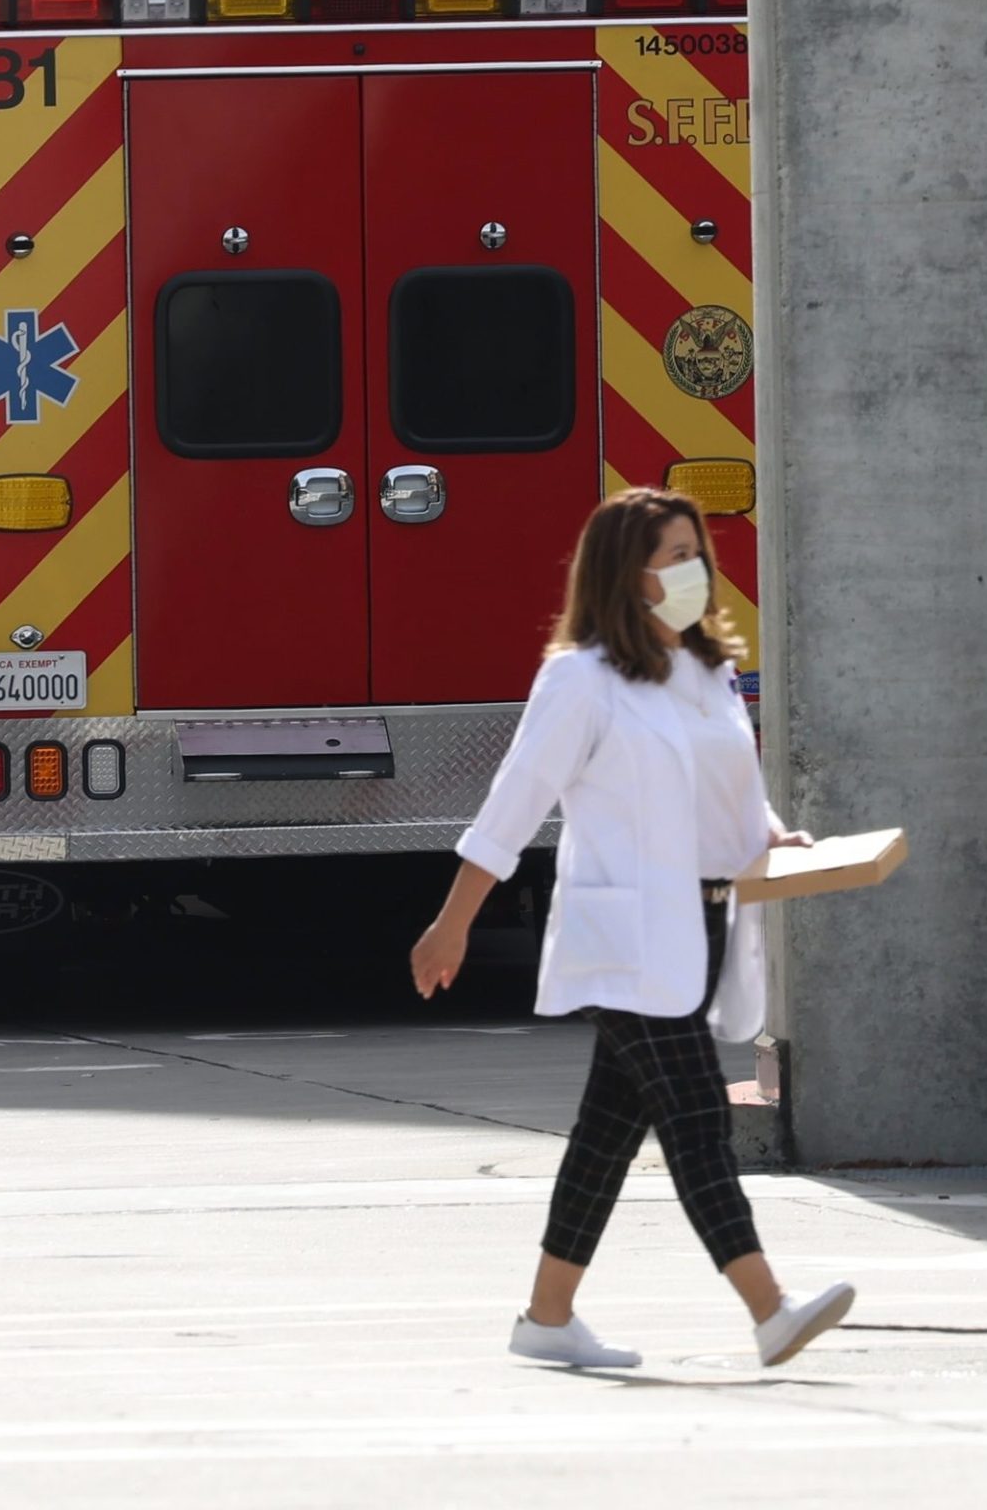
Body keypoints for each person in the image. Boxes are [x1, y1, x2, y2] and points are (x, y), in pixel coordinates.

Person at [411, 484, 857, 1376]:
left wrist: (773, 837)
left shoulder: (708, 670)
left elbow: (730, 788)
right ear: (626, 576)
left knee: (608, 1130)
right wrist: (451, 922)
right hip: (623, 940)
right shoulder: (579, 680)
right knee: (697, 1120)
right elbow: (513, 805)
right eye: (671, 559)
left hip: (707, 925)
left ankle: (547, 1315)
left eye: (696, 552)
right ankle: (768, 1307)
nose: (691, 571)